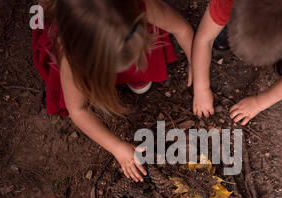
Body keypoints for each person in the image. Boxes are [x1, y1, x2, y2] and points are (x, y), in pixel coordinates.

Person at [33, 0, 194, 182]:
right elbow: (77, 110)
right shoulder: (70, 59)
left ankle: (134, 71)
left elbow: (182, 29)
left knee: (139, 54)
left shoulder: (141, 6)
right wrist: (116, 146)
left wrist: (196, 64)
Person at [192, 0, 282, 125]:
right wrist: (201, 88)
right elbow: (204, 39)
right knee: (215, 22)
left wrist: (258, 103)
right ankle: (224, 24)